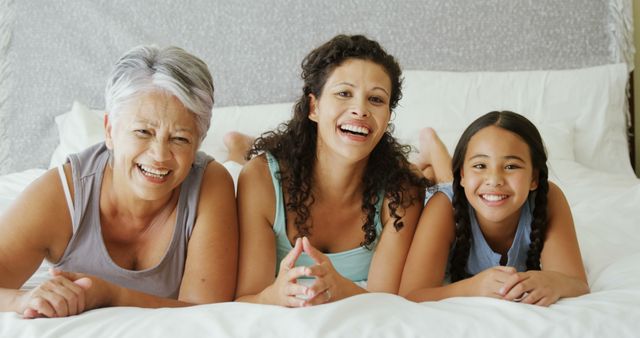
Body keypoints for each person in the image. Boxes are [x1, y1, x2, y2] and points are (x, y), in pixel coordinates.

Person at [0, 45, 238, 318]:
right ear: (110, 131)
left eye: (180, 138)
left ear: (198, 143)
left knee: (235, 167)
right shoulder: (60, 193)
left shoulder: (211, 181)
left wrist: (112, 294)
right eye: (143, 132)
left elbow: (209, 313)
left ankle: (238, 151)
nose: (159, 155)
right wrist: (21, 301)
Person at [233, 34, 428, 307]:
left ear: (387, 117)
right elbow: (245, 299)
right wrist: (274, 296)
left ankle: (430, 148)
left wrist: (342, 288)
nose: (360, 110)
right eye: (344, 93)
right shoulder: (260, 178)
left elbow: (389, 303)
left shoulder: (401, 191)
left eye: (376, 99)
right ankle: (237, 147)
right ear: (314, 107)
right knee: (242, 160)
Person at [399, 111, 589, 306]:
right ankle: (432, 147)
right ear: (462, 174)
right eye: (481, 165)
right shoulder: (443, 205)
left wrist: (553, 281)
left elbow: (576, 283)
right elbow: (411, 295)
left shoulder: (548, 198)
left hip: (472, 192)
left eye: (511, 166)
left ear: (534, 178)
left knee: (459, 183)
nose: (495, 180)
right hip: (455, 195)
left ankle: (436, 162)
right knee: (433, 181)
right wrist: (472, 288)